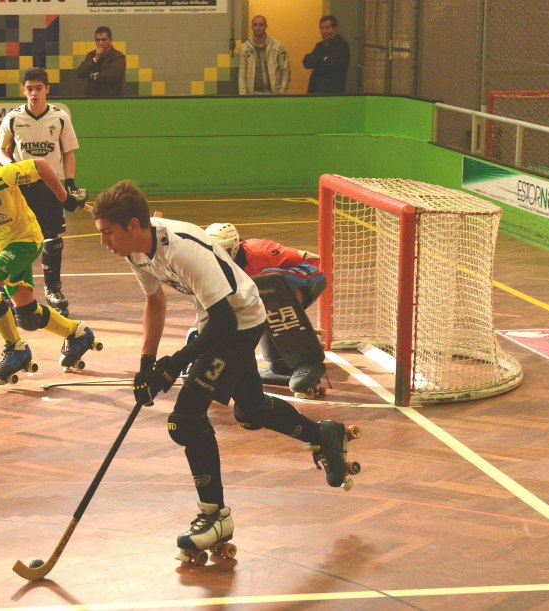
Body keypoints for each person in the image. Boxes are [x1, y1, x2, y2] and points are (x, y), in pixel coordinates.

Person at [91, 180, 357, 563]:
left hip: (239, 321)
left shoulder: (181, 248)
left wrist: (175, 364)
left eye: (107, 233)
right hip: (216, 320)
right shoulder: (136, 254)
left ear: (133, 225)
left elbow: (222, 325)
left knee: (185, 418)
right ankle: (324, 435)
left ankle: (215, 516)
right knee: (249, 410)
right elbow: (155, 301)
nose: (103, 242)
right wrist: (147, 366)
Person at [0, 135, 97, 384]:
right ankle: (78, 333)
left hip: (25, 239)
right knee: (28, 315)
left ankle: (16, 349)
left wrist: (63, 199)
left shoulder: (1, 177)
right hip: (1, 249)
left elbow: (41, 166)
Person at [0, 67, 83, 316]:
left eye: (38, 88)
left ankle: (53, 289)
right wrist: (9, 167)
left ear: (47, 89)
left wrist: (71, 183)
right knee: (17, 238)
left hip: (51, 186)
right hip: (21, 189)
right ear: (23, 90)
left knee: (53, 238)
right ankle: (10, 288)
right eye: (29, 88)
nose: (34, 93)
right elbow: (0, 150)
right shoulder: (13, 118)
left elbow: (68, 153)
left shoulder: (60, 117)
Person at [205, 223, 326, 385]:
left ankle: (307, 357)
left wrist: (294, 301)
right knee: (248, 303)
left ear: (234, 247)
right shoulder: (213, 266)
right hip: (266, 292)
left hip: (306, 279)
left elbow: (311, 258)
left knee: (265, 283)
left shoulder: (260, 251)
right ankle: (279, 361)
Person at [238, 15, 290, 95]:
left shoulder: (277, 46)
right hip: (253, 95)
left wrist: (281, 92)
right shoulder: (244, 48)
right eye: (255, 25)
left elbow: (285, 70)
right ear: (252, 27)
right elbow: (242, 74)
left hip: (274, 94)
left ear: (266, 26)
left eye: (261, 24)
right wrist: (243, 96)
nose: (258, 27)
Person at [302, 15, 350, 94]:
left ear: (334, 28)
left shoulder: (341, 45)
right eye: (321, 28)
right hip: (315, 91)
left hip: (332, 93)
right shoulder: (320, 45)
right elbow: (306, 61)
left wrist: (316, 61)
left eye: (327, 28)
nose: (324, 31)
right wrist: (323, 59)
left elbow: (333, 64)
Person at [75, 26, 126, 97]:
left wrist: (94, 76)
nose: (100, 43)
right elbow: (80, 73)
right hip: (92, 97)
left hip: (111, 98)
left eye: (104, 40)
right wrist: (95, 59)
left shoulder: (118, 56)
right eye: (98, 40)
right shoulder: (91, 55)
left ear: (110, 40)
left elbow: (114, 75)